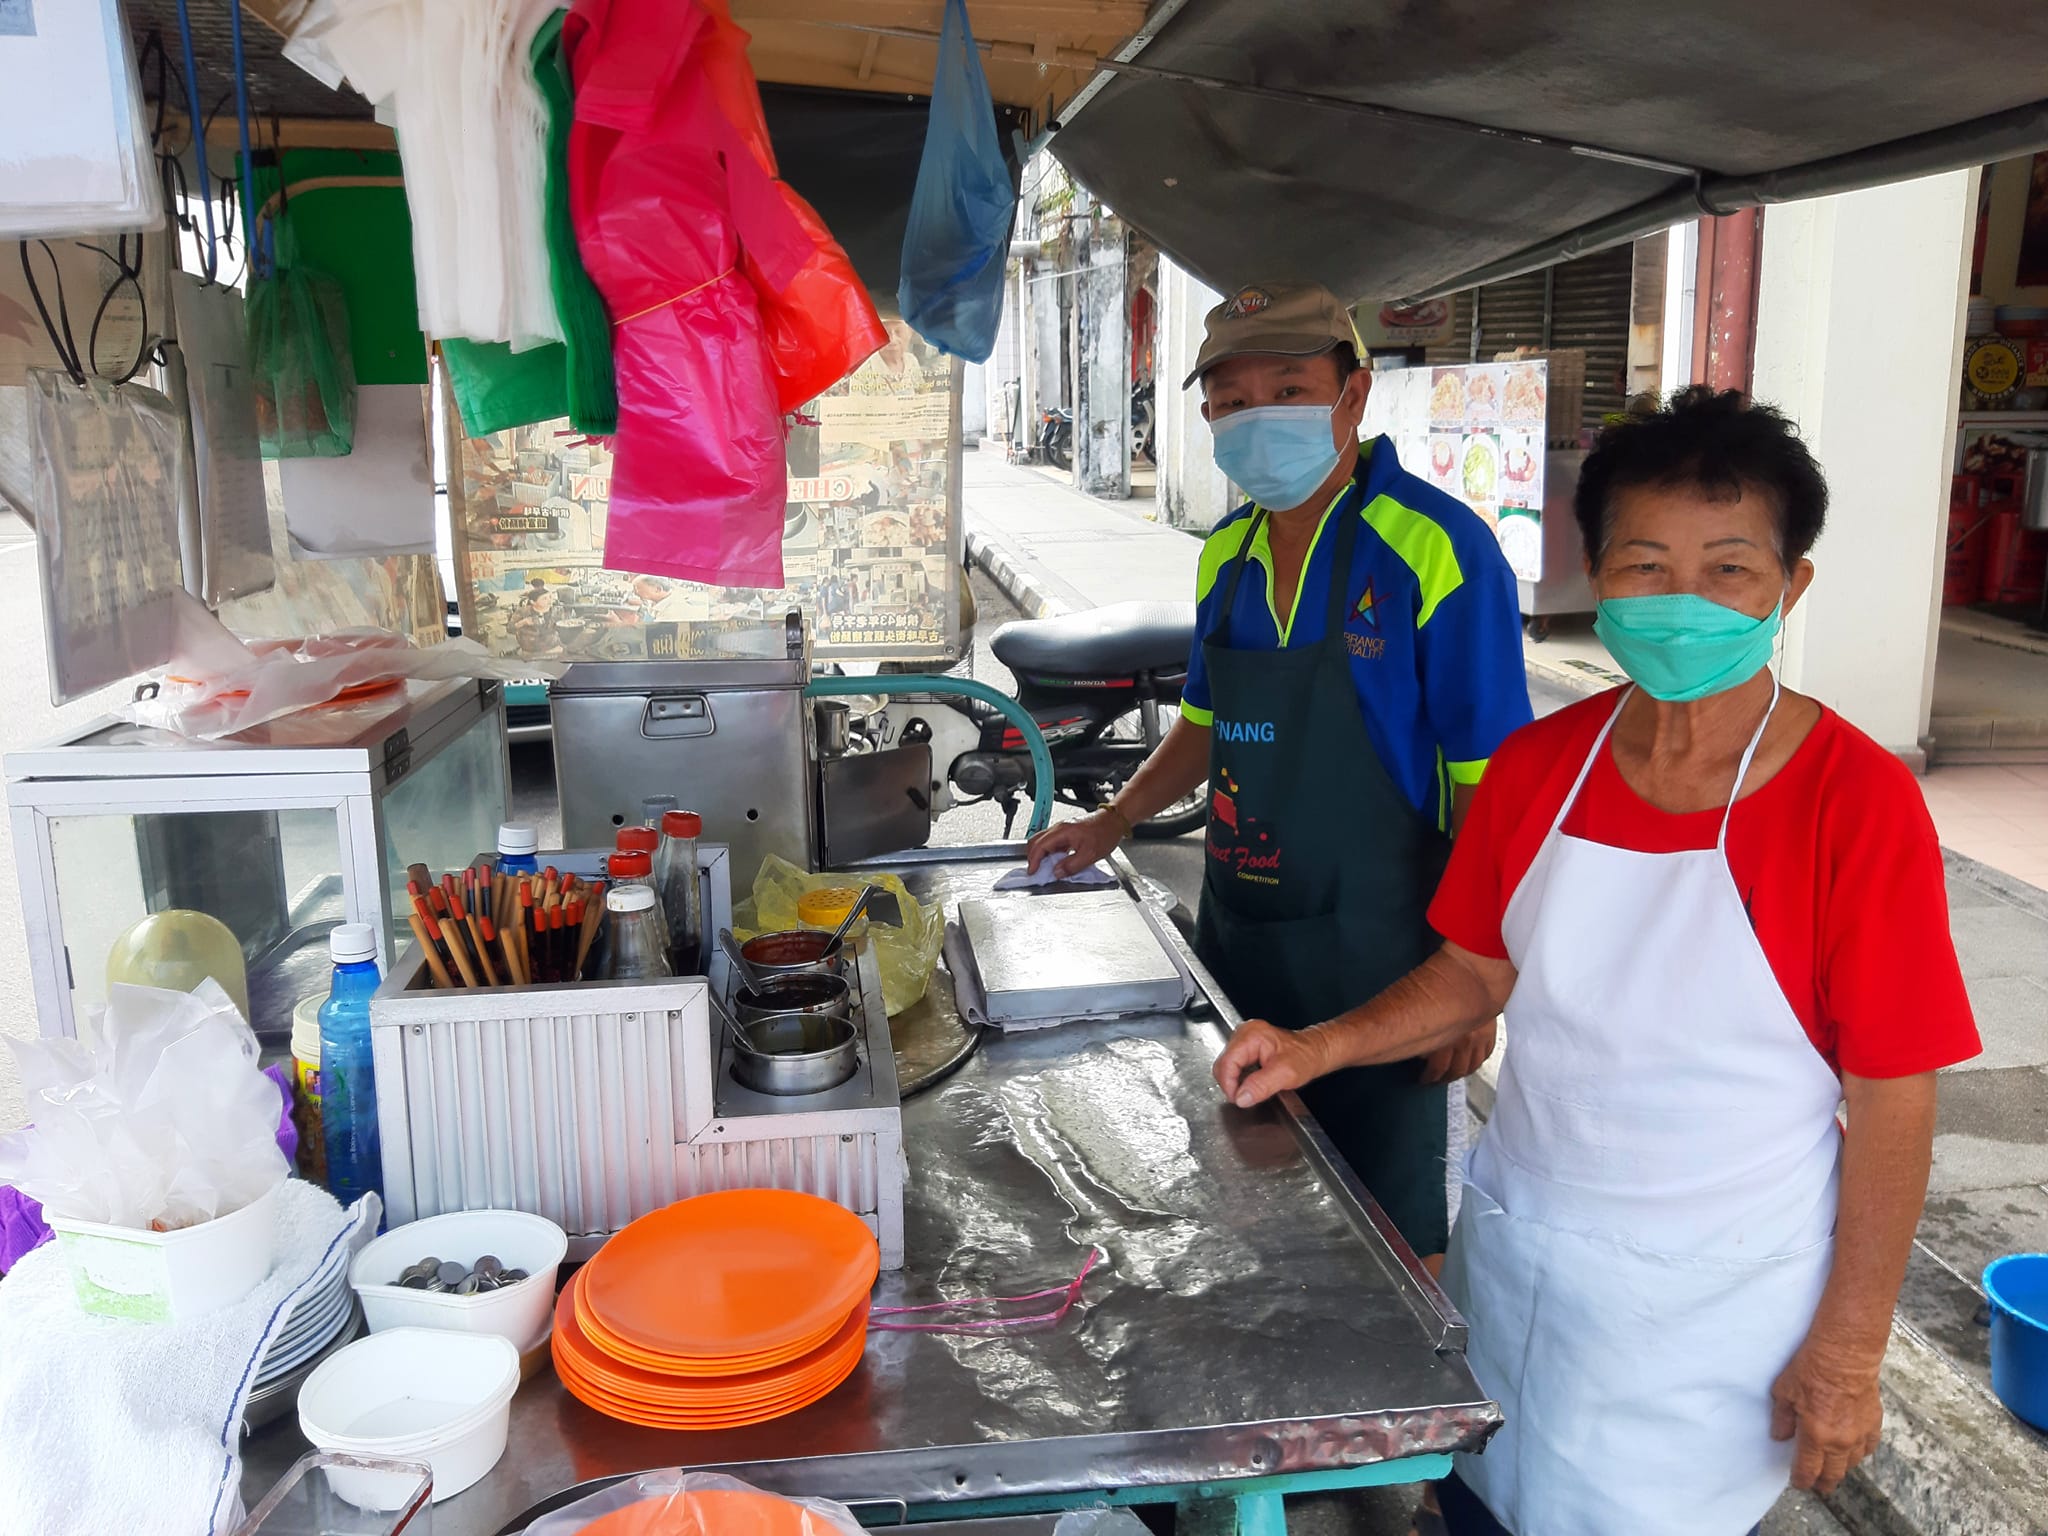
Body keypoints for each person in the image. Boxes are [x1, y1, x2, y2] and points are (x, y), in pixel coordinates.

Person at [1212, 388, 1982, 1535]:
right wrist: (1314, 1049)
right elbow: (1475, 974)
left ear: (1788, 587)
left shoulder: (1852, 802)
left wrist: (1849, 1346)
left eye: (1726, 568)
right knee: (1475, 1505)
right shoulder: (1539, 766)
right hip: (1521, 1265)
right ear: (1595, 580)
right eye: (1642, 564)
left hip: (1711, 1318)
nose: (1682, 601)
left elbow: (1891, 1096)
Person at [1027, 282, 1531, 1265]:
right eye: (1232, 401)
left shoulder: (1435, 550)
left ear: (1352, 396)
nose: (1257, 420)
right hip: (1242, 940)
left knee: (1389, 1238)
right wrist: (1114, 820)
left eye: (1288, 389)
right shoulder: (1227, 551)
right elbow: (1206, 726)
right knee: (1251, 1197)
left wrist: (1477, 988)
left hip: (1384, 966)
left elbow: (1489, 792)